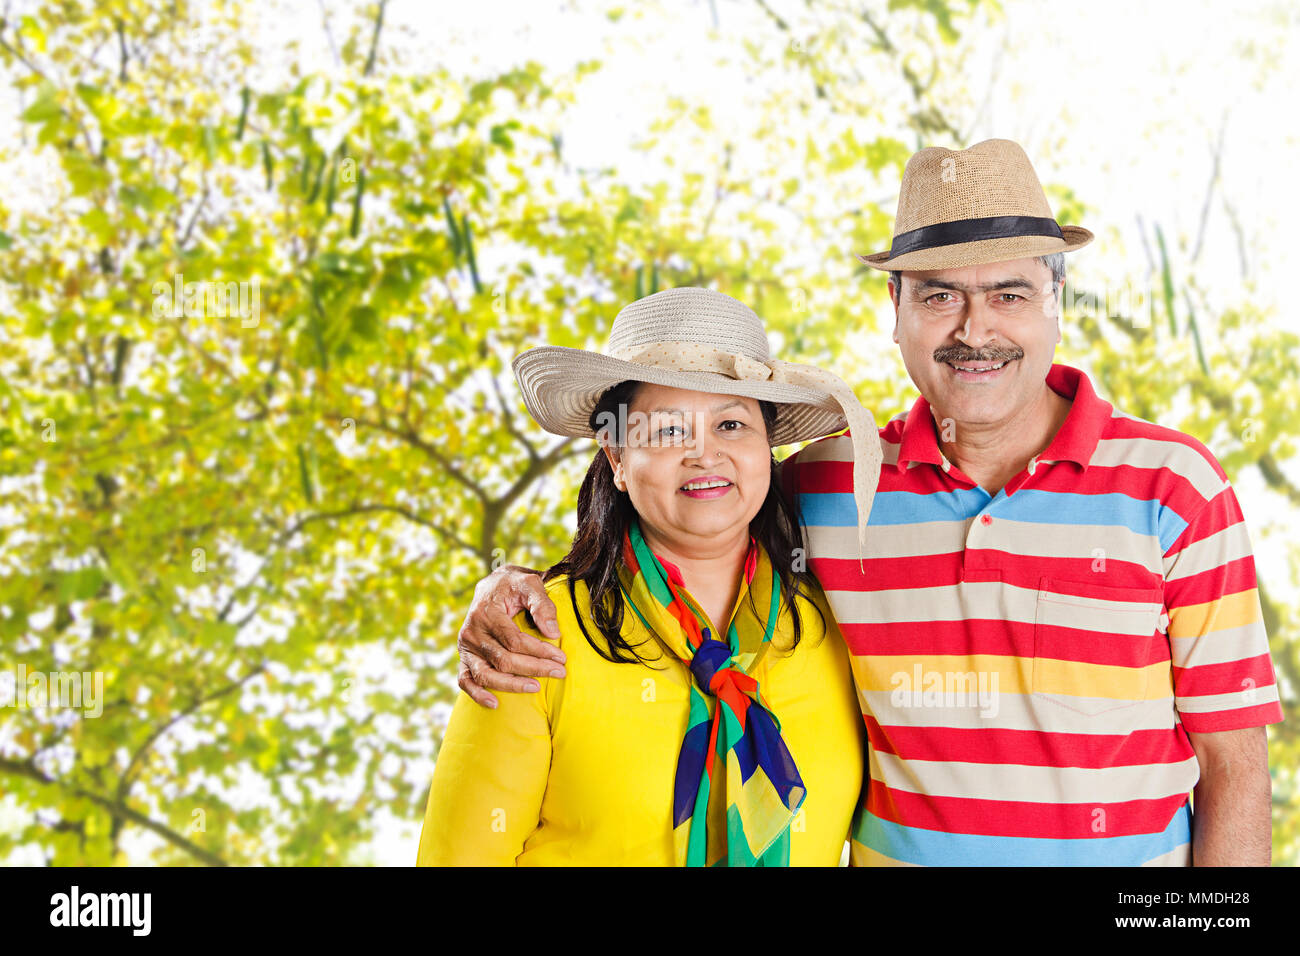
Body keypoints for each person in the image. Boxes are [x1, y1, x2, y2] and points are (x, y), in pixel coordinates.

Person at [453, 139, 1284, 866]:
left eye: (1008, 293)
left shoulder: (1175, 488)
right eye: (936, 295)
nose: (974, 327)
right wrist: (512, 587)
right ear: (895, 313)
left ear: (1055, 302)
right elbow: (685, 515)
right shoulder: (830, 485)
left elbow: (1237, 763)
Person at [417, 286, 884, 865]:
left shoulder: (837, 624)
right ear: (615, 461)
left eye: (732, 425)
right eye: (666, 431)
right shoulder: (533, 634)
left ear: (769, 449)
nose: (704, 454)